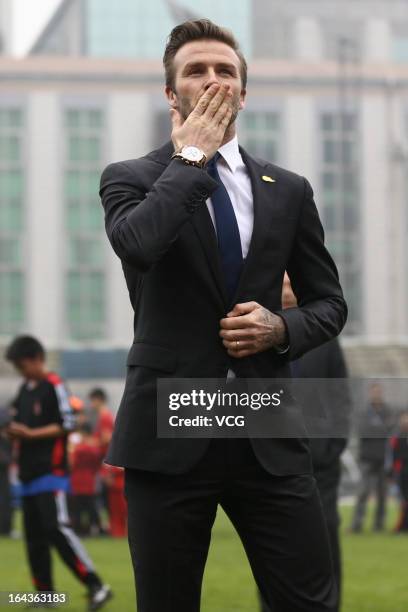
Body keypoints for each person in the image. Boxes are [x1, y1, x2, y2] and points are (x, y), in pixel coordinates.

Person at [99, 19, 347, 612]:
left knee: (309, 600)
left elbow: (329, 303)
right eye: (196, 70)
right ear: (170, 93)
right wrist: (192, 156)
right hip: (170, 425)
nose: (213, 80)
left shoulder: (287, 189)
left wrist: (281, 327)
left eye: (226, 71)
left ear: (244, 89)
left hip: (266, 425)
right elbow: (138, 244)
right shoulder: (130, 177)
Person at [260, 274, 350, 612]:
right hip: (273, 459)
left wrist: (331, 449)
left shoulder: (324, 338)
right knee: (272, 543)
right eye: (279, 285)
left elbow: (340, 397)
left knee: (324, 538)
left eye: (290, 285)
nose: (285, 291)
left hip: (319, 464)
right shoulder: (260, 334)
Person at [5, 336, 112, 611]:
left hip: (50, 472)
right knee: (34, 540)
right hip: (27, 475)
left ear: (37, 359)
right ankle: (44, 596)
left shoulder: (54, 385)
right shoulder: (24, 389)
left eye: (22, 365)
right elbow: (15, 421)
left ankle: (97, 585)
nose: (21, 371)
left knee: (57, 529)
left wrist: (30, 433)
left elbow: (69, 423)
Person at [350, 382, 392, 533]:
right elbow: (362, 430)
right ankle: (357, 524)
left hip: (382, 458)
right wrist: (379, 428)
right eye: (374, 392)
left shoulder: (387, 411)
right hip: (366, 458)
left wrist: (375, 428)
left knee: (382, 495)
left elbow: (390, 429)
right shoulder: (364, 411)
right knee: (363, 493)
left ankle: (379, 525)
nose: (376, 395)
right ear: (370, 394)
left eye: (378, 392)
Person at [69, 422, 103, 537]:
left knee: (77, 508)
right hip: (90, 479)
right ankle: (97, 527)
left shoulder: (78, 449)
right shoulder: (95, 448)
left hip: (77, 480)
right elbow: (98, 465)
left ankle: (79, 529)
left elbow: (71, 463)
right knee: (91, 507)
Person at [390, 412, 408, 533]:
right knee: (403, 500)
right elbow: (392, 455)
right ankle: (402, 525)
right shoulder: (397, 437)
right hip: (402, 472)